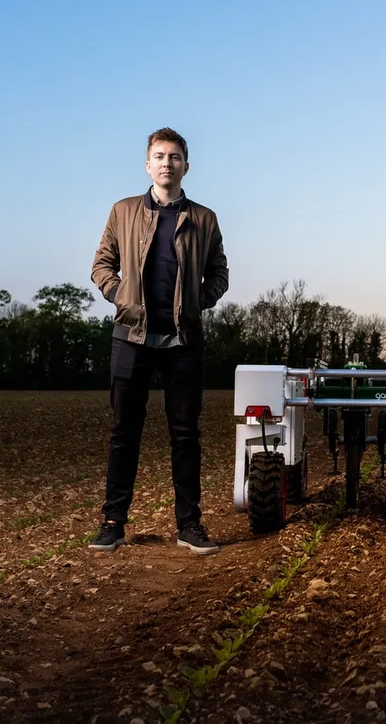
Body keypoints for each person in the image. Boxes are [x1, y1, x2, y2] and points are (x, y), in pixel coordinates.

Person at [88, 127, 229, 554]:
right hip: (131, 337)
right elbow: (101, 264)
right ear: (148, 164)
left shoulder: (204, 219)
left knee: (185, 434)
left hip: (183, 341)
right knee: (123, 433)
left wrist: (196, 303)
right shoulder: (123, 210)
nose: (167, 163)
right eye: (160, 156)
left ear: (186, 165)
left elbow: (219, 274)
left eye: (175, 157)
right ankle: (113, 523)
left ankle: (189, 525)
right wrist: (121, 295)